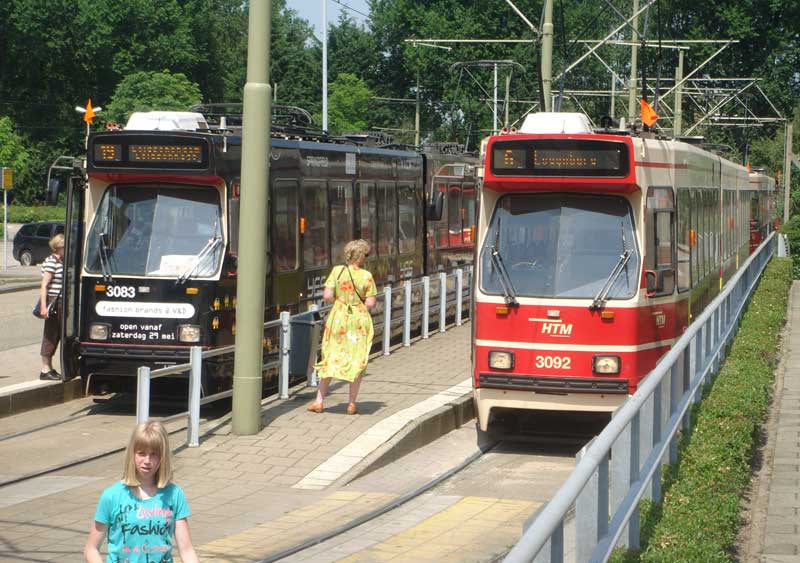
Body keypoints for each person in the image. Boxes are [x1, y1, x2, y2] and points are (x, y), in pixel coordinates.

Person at [84, 421, 199, 563]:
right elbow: (91, 549)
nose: (147, 461)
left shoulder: (174, 495)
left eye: (154, 454)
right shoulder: (111, 496)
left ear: (163, 457)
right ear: (132, 454)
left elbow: (186, 550)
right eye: (141, 453)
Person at [308, 239, 377, 415]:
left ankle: (319, 401)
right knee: (356, 359)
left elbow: (328, 296)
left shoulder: (337, 271)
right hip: (358, 320)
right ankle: (351, 404)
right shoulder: (367, 276)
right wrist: (357, 303)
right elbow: (370, 302)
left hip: (338, 319)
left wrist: (341, 301)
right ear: (362, 257)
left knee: (331, 355)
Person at [37, 233, 64, 380]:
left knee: (60, 334)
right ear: (58, 248)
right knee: (51, 333)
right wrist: (43, 306)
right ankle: (45, 369)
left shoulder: (62, 261)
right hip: (54, 302)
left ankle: (51, 368)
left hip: (62, 302)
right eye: (65, 247)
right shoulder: (51, 262)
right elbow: (44, 285)